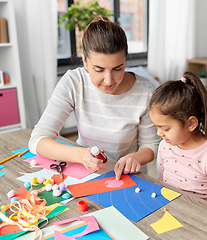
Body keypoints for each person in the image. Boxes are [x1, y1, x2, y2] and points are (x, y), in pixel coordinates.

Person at [29, 16, 160, 180]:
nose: (109, 80)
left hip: (126, 178)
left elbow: (151, 145)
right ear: (84, 60)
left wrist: (135, 158)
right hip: (84, 174)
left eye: (117, 68)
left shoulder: (145, 91)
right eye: (98, 69)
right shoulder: (74, 82)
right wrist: (81, 155)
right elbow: (38, 140)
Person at [149, 72, 207, 211]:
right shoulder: (166, 144)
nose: (159, 134)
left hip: (198, 216)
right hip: (167, 209)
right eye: (156, 127)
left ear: (191, 124)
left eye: (165, 128)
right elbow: (162, 180)